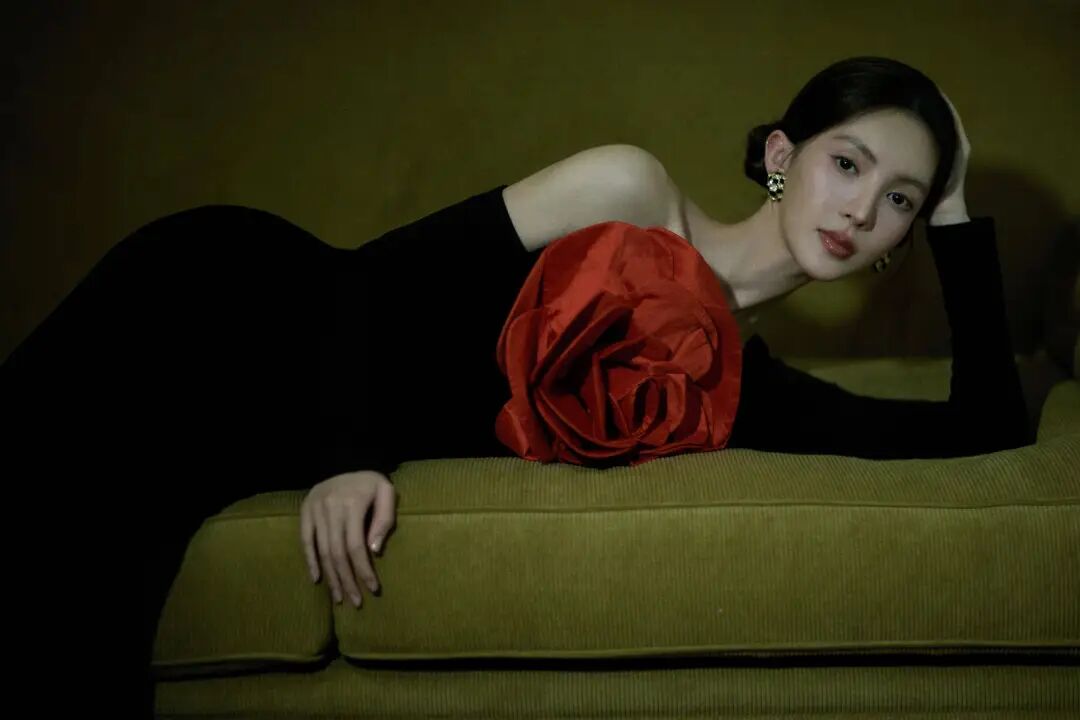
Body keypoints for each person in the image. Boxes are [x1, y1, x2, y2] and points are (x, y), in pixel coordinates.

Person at [0, 56, 1031, 715]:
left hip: (241, 436)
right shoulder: (629, 186)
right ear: (780, 156)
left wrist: (956, 208)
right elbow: (364, 286)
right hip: (223, 310)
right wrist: (347, 458)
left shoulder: (739, 392)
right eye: (847, 164)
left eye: (899, 199)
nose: (861, 210)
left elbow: (982, 429)